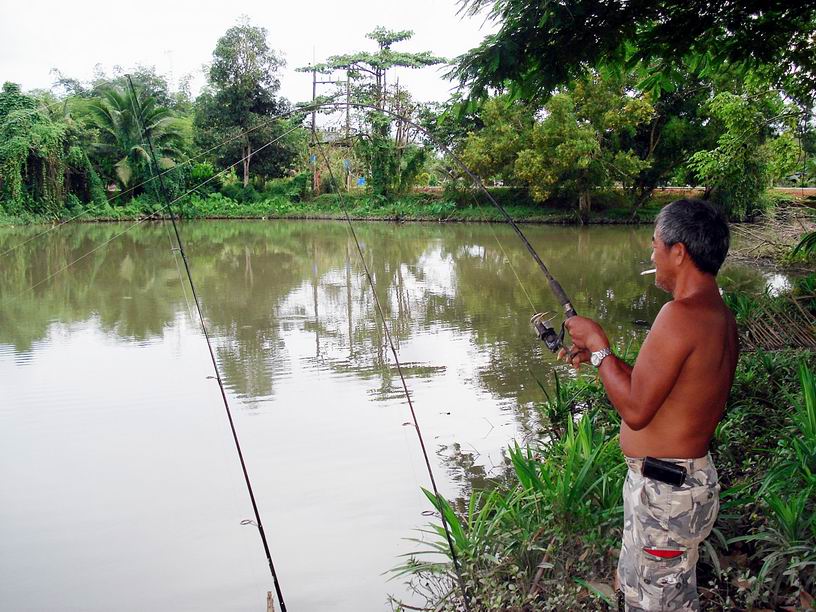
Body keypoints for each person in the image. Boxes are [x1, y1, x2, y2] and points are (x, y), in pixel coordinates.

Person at [561, 198, 738, 611]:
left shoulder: (679, 314)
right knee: (655, 595)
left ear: (679, 251)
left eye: (655, 244)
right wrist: (604, 363)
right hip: (678, 486)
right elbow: (658, 391)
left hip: (666, 493)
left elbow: (637, 410)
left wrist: (600, 346)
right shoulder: (718, 315)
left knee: (660, 604)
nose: (651, 253)